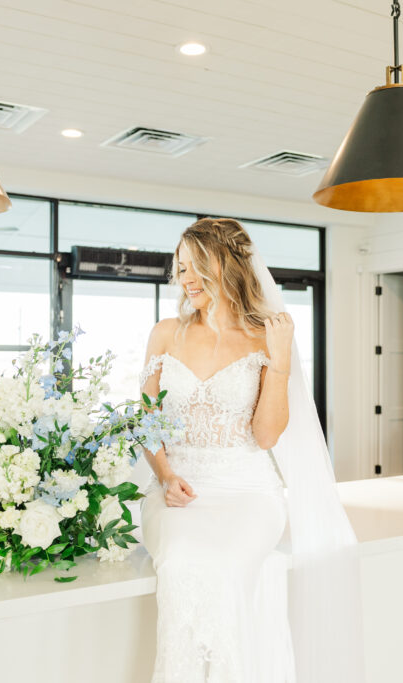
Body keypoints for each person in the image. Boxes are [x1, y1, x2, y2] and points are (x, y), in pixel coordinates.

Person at [138, 217, 296, 682]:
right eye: (179, 268)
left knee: (227, 569)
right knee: (185, 561)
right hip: (177, 491)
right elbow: (147, 421)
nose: (184, 279)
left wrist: (281, 361)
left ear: (225, 266)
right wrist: (166, 476)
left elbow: (266, 437)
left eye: (194, 267)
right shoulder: (166, 333)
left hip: (249, 493)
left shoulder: (266, 336)